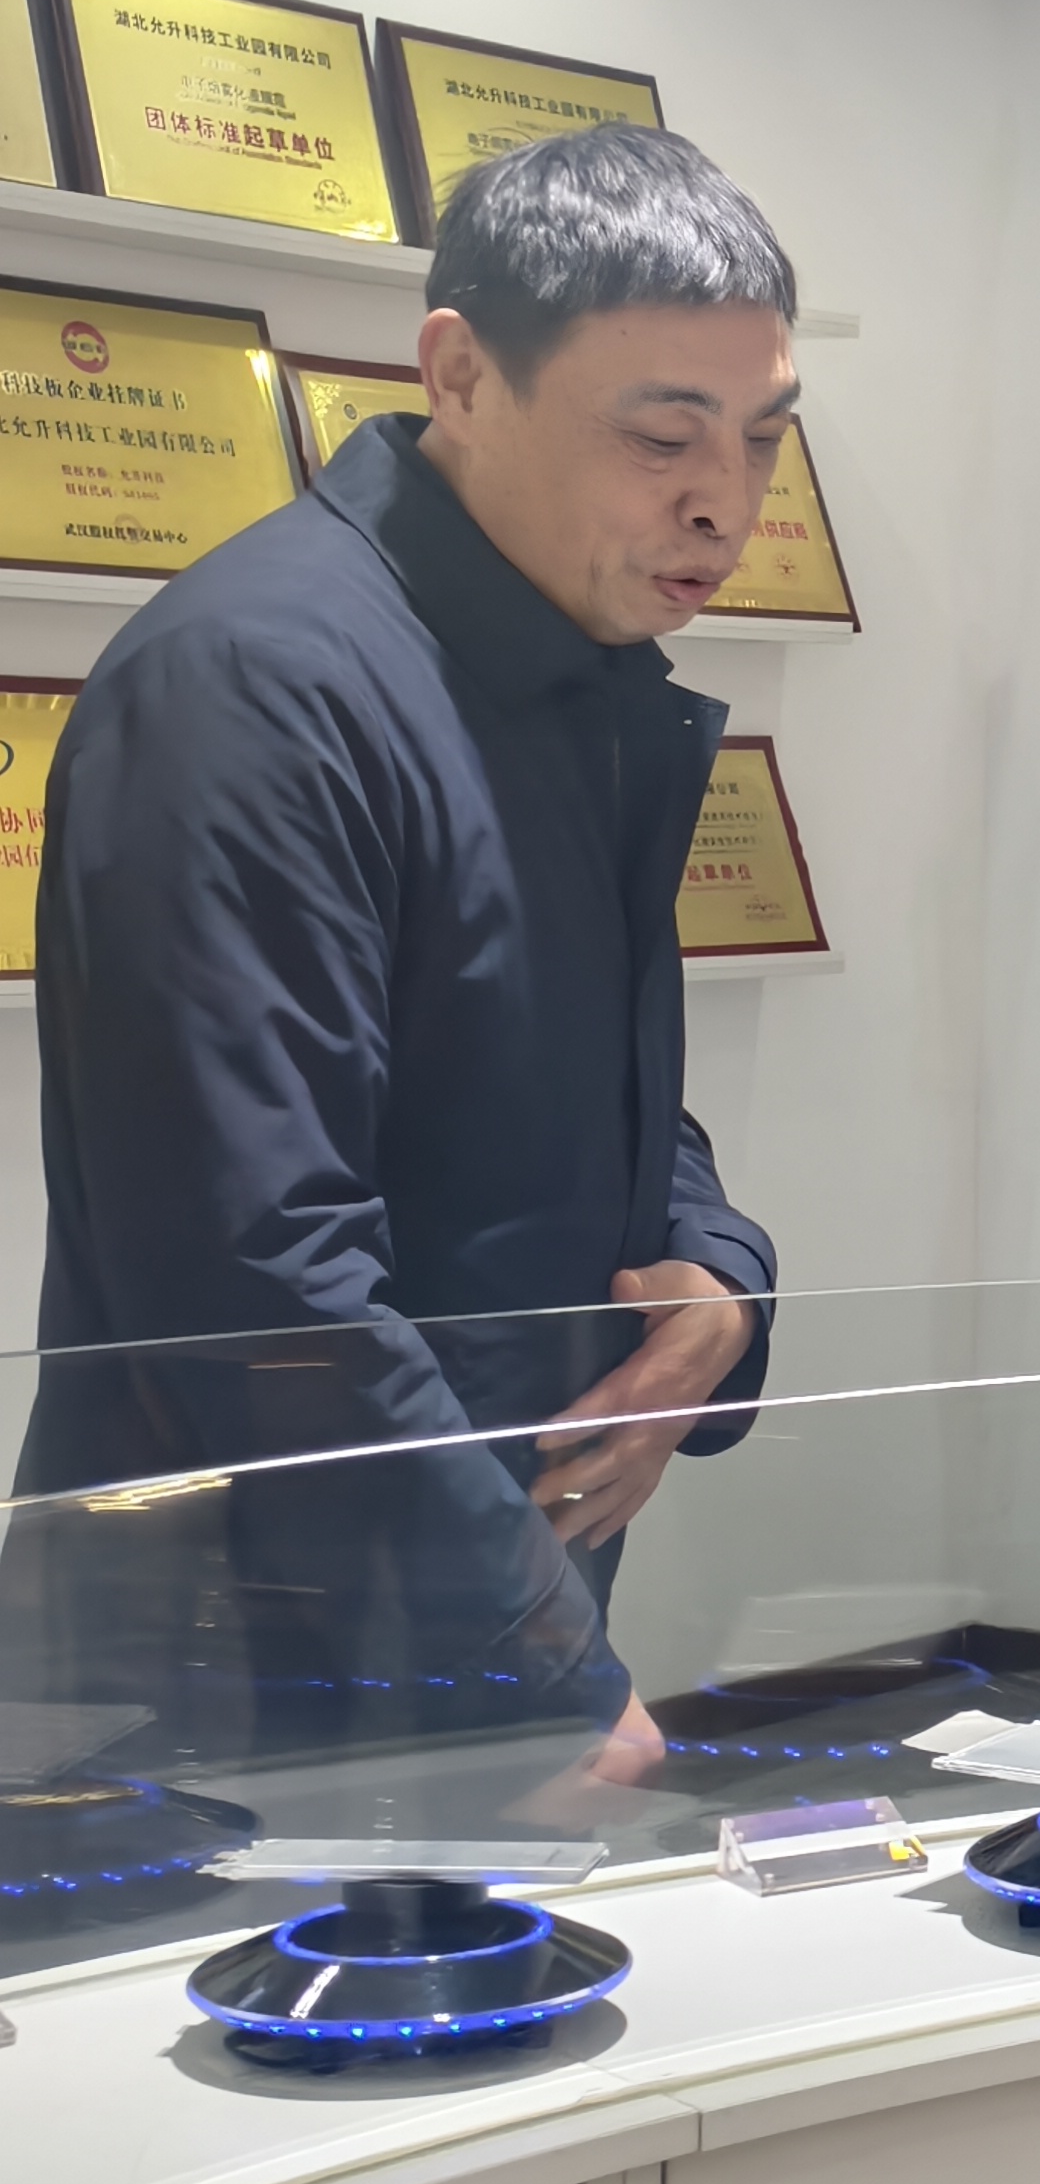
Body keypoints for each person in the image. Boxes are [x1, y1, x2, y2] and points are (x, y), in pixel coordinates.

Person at [4, 125, 789, 1794]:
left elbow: (577, 1075)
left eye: (762, 435)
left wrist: (718, 1273)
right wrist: (535, 1661)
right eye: (663, 435)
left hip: (476, 1575)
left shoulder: (557, 667)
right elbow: (251, 1262)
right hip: (255, 1641)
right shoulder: (255, 685)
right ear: (460, 374)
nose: (725, 500)